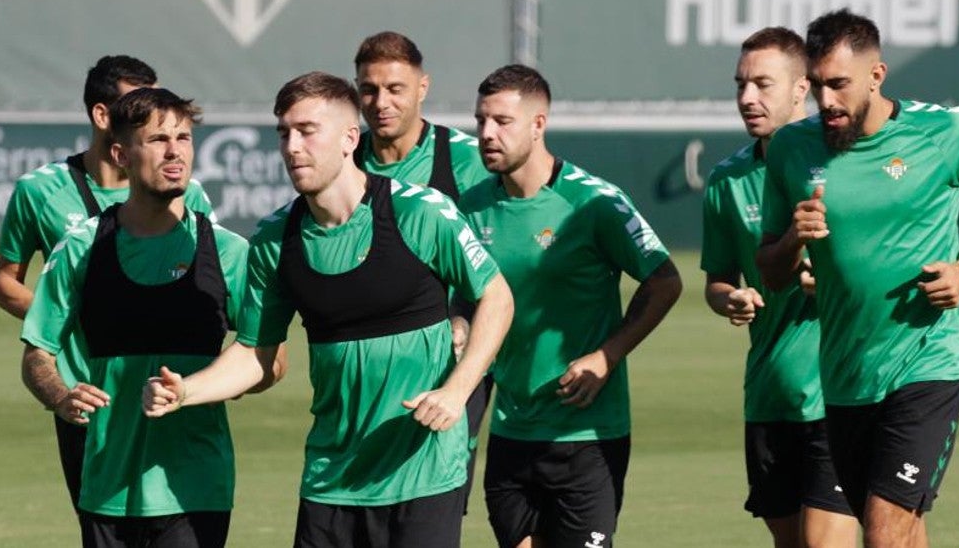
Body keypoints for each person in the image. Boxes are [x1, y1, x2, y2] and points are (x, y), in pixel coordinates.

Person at [144, 72, 514, 548]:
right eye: (283, 133)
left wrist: (457, 391)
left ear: (348, 139)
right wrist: (185, 392)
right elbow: (255, 352)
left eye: (306, 130)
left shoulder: (420, 212)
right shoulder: (275, 240)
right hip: (331, 481)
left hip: (422, 478)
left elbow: (497, 297)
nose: (292, 147)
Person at [757, 10, 959, 548]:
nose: (827, 102)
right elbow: (770, 271)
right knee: (903, 528)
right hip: (845, 377)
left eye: (840, 85)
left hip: (928, 362)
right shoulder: (791, 150)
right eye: (818, 86)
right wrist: (794, 237)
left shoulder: (946, 132)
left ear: (877, 75)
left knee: (883, 529)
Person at [20, 88, 260, 548]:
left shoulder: (228, 252)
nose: (175, 152)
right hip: (107, 487)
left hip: (196, 488)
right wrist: (60, 397)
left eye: (184, 138)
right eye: (157, 140)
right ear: (120, 154)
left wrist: (196, 387)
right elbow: (36, 356)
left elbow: (269, 360)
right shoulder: (82, 246)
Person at [455, 64, 682, 548]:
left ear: (539, 125)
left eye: (501, 121)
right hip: (511, 431)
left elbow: (664, 280)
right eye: (480, 121)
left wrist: (608, 355)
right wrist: (459, 324)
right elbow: (462, 291)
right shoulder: (470, 208)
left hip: (586, 436)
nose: (486, 134)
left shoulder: (594, 202)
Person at [0, 55, 214, 512]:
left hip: (166, 389)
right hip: (85, 390)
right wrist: (65, 314)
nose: (154, 114)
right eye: (138, 103)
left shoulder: (188, 193)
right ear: (101, 116)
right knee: (103, 520)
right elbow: (5, 282)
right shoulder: (40, 191)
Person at [700, 28, 856, 548]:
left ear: (800, 89)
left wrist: (832, 279)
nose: (747, 98)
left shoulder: (846, 162)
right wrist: (732, 299)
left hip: (839, 394)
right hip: (769, 397)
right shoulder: (726, 181)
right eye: (741, 85)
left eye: (762, 84)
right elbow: (717, 280)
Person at [352, 31, 495, 497]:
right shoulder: (343, 162)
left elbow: (500, 256)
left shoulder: (467, 162)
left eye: (395, 89)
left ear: (422, 88)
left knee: (437, 493)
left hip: (450, 363)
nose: (381, 102)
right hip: (366, 364)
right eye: (369, 90)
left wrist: (464, 319)